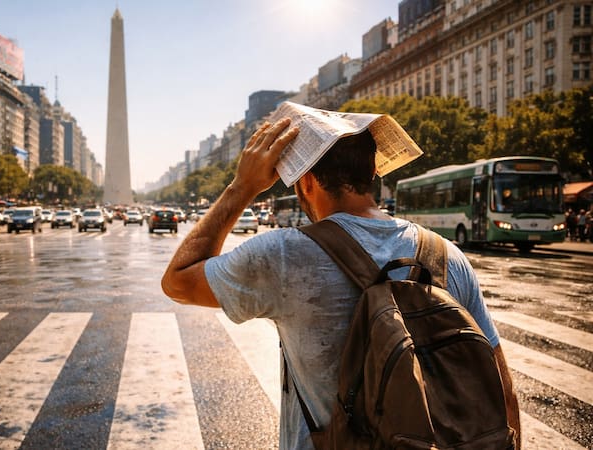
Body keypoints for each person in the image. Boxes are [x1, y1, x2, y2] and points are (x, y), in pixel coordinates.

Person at [161, 118, 521, 449]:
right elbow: (501, 386)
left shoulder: (285, 254)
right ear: (372, 174)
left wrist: (242, 186)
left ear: (306, 181)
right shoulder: (446, 255)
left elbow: (178, 281)